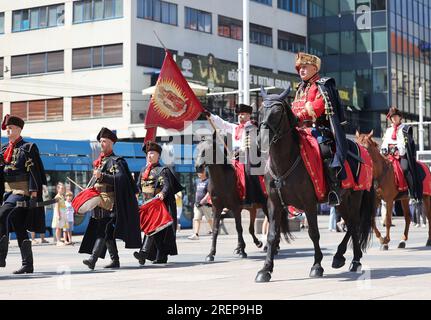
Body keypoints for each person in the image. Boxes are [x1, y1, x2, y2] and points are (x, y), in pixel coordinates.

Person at [79, 127, 141, 270]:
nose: (102, 144)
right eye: (100, 141)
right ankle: (115, 260)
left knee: (103, 230)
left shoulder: (116, 161)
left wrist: (103, 176)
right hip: (99, 203)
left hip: (112, 203)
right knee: (107, 234)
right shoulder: (100, 162)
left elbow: (121, 179)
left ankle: (92, 259)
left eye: (105, 141)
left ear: (112, 143)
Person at [291, 52, 348, 206]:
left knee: (325, 151)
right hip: (299, 130)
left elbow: (318, 106)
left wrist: (299, 116)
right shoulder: (300, 89)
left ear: (314, 68)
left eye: (304, 67)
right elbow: (294, 107)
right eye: (299, 68)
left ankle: (334, 189)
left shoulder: (322, 85)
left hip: (318, 129)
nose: (301, 70)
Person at [0, 114, 47, 274]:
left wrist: (34, 193)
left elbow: (35, 172)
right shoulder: (3, 149)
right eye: (7, 128)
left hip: (22, 190)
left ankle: (1, 256)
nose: (8, 130)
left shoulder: (28, 147)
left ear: (19, 129)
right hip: (7, 191)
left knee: (3, 213)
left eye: (11, 127)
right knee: (19, 225)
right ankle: (28, 264)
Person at [203, 104, 268, 217]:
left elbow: (253, 144)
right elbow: (222, 123)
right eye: (238, 114)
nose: (240, 116)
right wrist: (210, 115)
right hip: (233, 157)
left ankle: (250, 197)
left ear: (248, 115)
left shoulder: (253, 127)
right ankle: (221, 200)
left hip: (247, 157)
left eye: (242, 114)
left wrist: (241, 151)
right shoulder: (234, 127)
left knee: (246, 173)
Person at [134, 141, 183, 265]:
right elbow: (138, 186)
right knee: (157, 234)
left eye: (151, 153)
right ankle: (161, 255)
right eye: (148, 154)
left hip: (158, 206)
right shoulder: (143, 170)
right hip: (146, 206)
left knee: (151, 229)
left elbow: (167, 185)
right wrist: (135, 193)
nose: (149, 156)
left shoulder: (163, 170)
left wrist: (162, 193)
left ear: (158, 156)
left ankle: (143, 253)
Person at [381, 106, 424, 200]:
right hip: (389, 156)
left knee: (405, 169)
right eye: (392, 117)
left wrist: (396, 150)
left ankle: (412, 192)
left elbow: (405, 145)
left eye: (396, 116)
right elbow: (384, 143)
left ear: (400, 117)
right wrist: (384, 149)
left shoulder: (405, 129)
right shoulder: (388, 130)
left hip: (401, 156)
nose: (394, 118)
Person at [188, 168, 213, 240]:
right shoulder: (197, 181)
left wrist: (204, 199)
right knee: (196, 218)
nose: (199, 174)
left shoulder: (208, 181)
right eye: (198, 172)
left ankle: (214, 232)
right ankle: (196, 234)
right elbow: (197, 191)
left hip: (206, 204)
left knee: (209, 219)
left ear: (205, 172)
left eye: (200, 172)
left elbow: (209, 192)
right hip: (197, 203)